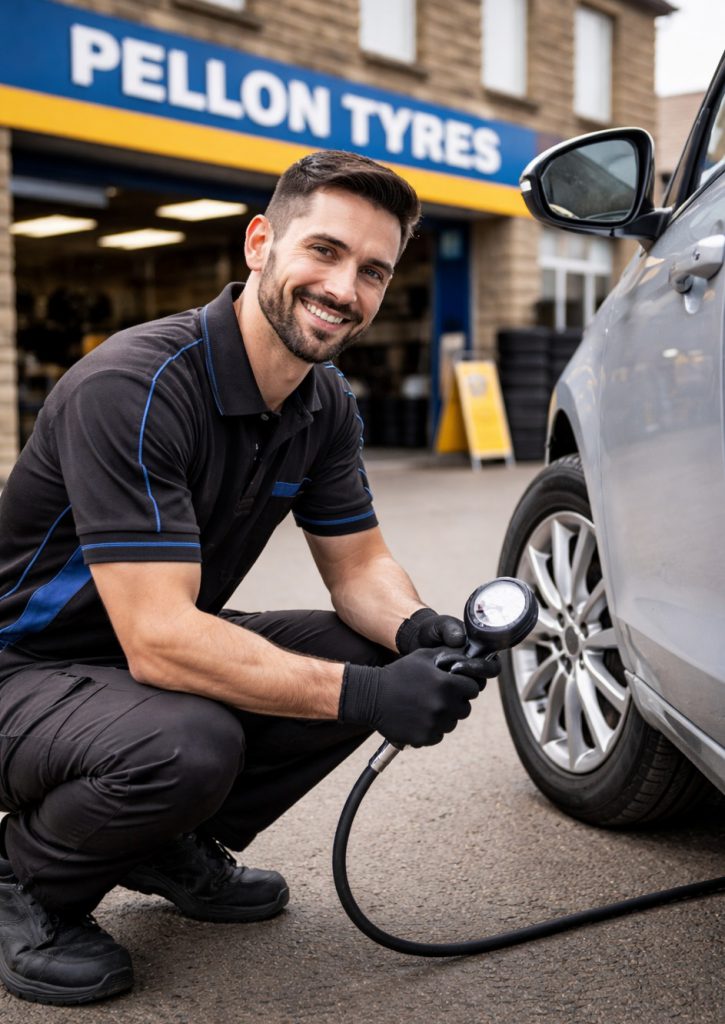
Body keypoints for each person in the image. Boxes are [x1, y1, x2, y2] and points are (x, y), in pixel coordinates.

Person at [0, 150, 499, 1006]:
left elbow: (361, 567)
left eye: (373, 271)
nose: (345, 289)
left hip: (120, 671)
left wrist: (418, 632)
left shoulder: (324, 402)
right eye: (325, 252)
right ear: (260, 243)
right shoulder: (137, 384)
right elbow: (159, 640)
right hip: (22, 670)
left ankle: (159, 842)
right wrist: (365, 701)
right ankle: (25, 882)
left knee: (365, 649)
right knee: (189, 740)